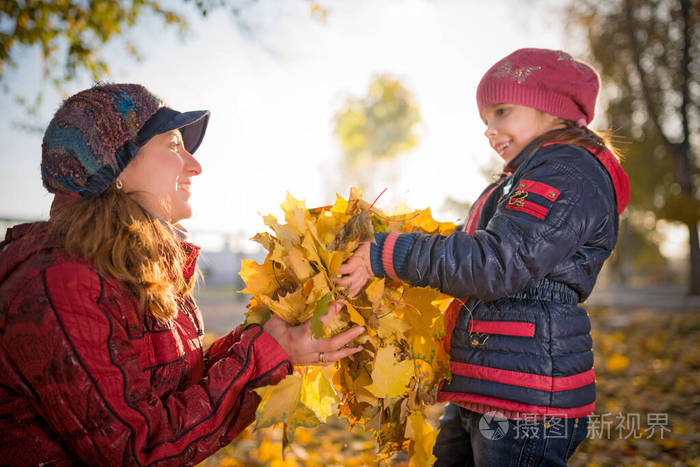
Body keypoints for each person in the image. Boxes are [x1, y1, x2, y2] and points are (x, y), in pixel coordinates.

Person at [0, 83, 365, 465]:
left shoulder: (130, 267)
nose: (195, 165)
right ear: (117, 168)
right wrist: (265, 354)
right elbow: (136, 451)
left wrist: (274, 339)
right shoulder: (61, 284)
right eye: (174, 146)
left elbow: (173, 385)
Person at [337, 48, 630, 466]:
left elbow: (497, 263)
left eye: (501, 111)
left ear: (553, 108)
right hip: (489, 383)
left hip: (526, 397)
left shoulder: (566, 172)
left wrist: (388, 254)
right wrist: (393, 241)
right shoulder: (523, 178)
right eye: (485, 120)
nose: (489, 130)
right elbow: (470, 249)